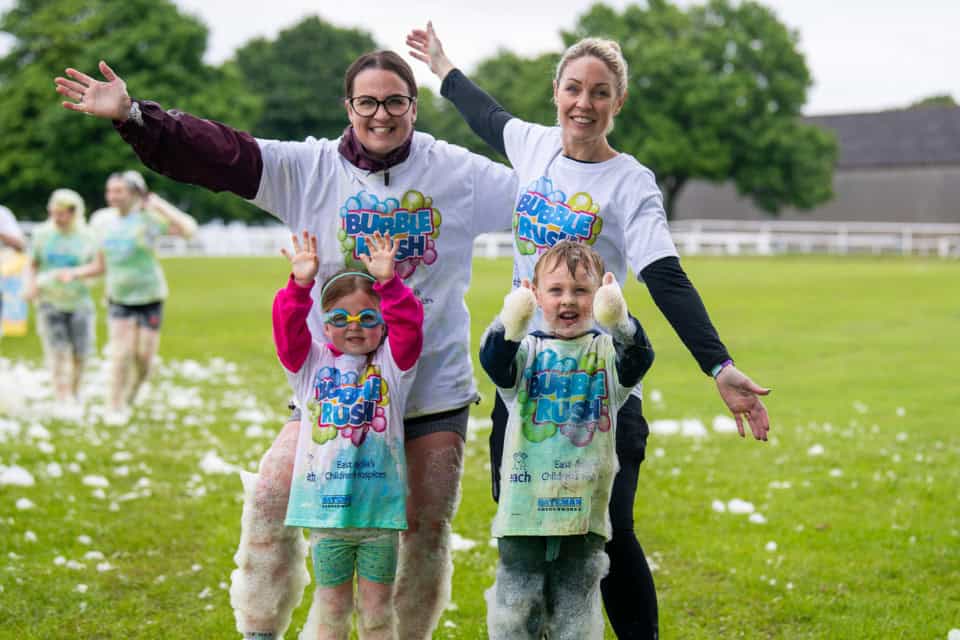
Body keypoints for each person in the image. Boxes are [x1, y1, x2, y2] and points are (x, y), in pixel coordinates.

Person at [55, 52, 518, 639]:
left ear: (414, 106)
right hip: (332, 392)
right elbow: (219, 153)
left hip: (429, 389)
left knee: (423, 528)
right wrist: (134, 115)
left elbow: (542, 194)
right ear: (348, 107)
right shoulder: (308, 167)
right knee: (272, 496)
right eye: (367, 102)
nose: (382, 114)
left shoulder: (459, 172)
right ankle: (260, 631)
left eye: (395, 101)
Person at [408, 23, 771, 639]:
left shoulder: (631, 183)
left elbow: (664, 276)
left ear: (617, 102)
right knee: (525, 529)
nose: (584, 103)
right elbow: (483, 112)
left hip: (599, 388)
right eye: (574, 88)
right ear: (556, 92)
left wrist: (719, 364)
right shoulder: (533, 145)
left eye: (600, 92)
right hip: (523, 389)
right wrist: (441, 65)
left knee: (610, 530)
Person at [479, 240, 654, 639]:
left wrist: (621, 319)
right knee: (515, 613)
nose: (568, 301)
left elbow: (638, 358)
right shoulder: (527, 352)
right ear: (536, 295)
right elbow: (493, 361)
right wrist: (513, 317)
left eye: (581, 291)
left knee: (577, 615)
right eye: (555, 291)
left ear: (600, 294)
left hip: (584, 514)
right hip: (524, 514)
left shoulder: (606, 354)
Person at [256, 230, 422, 640]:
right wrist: (299, 286)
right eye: (339, 319)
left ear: (382, 326)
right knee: (331, 607)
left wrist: (389, 284)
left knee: (378, 609)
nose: (353, 328)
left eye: (367, 318)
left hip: (379, 518)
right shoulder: (308, 368)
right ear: (324, 327)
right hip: (326, 518)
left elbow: (410, 329)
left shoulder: (391, 367)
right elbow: (287, 332)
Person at [58, 170, 197, 421]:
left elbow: (189, 230)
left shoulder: (148, 220)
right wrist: (75, 273)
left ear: (134, 194)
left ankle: (133, 390)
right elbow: (100, 265)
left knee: (143, 358)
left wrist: (158, 205)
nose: (112, 196)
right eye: (109, 191)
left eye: (119, 191)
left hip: (150, 297)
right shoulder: (101, 221)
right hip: (118, 297)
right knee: (120, 353)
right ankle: (114, 407)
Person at [22, 189, 97, 404]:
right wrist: (30, 285)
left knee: (80, 353)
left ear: (74, 213)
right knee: (57, 351)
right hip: (49, 300)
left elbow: (98, 266)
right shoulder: (42, 234)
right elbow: (32, 264)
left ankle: (75, 390)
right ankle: (61, 396)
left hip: (79, 301)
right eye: (54, 213)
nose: (57, 218)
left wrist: (75, 274)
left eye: (62, 214)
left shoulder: (88, 236)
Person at [0, 203, 27, 338]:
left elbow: (21, 245)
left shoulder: (2, 213)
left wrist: (2, 234)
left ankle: (10, 325)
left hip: (6, 266)